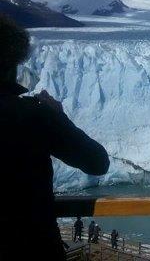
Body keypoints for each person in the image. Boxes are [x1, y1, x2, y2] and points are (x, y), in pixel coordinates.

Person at [0, 15, 110, 260]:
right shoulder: (32, 115)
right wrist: (58, 118)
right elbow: (97, 162)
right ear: (11, 64)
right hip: (30, 247)